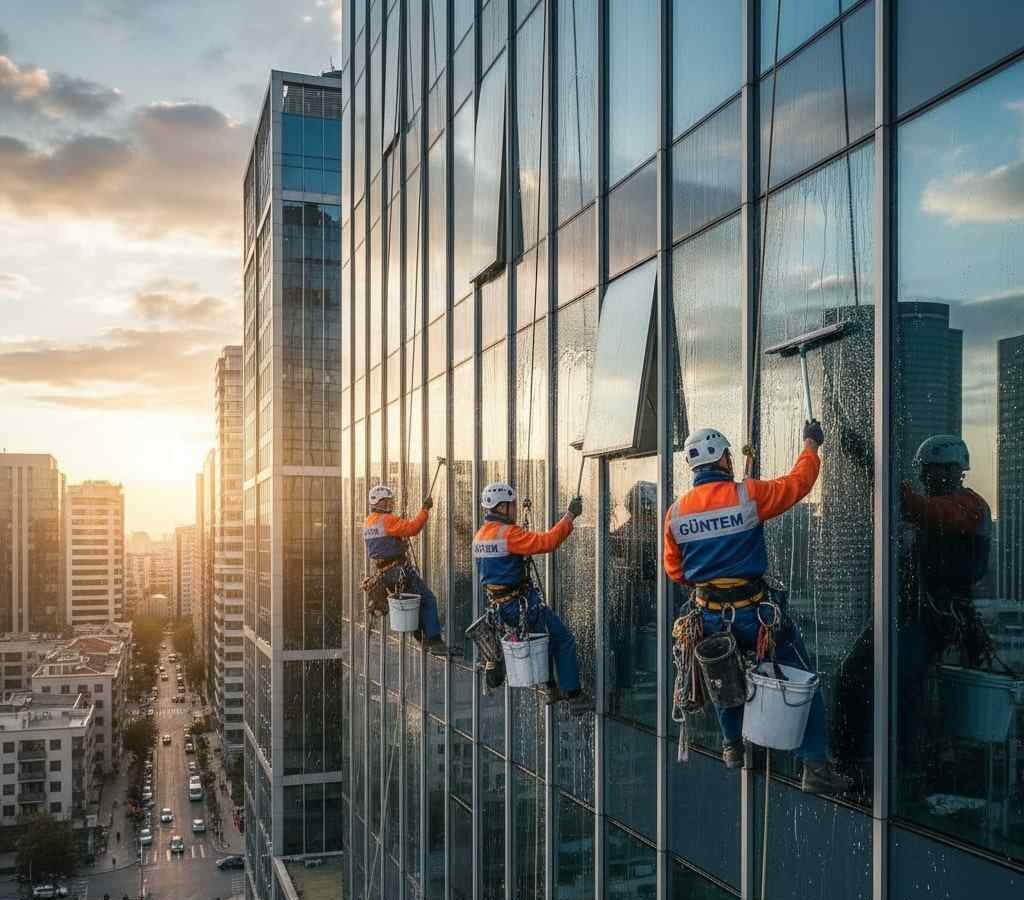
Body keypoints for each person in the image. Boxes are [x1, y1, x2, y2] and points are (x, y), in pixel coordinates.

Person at [663, 424, 851, 793]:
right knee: (801, 676)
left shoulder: (676, 513)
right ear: (723, 458)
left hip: (710, 616)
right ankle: (814, 766)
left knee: (722, 673)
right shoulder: (747, 495)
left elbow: (676, 571)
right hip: (755, 614)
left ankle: (733, 745)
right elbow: (798, 484)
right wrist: (810, 444)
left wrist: (710, 570)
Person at [472, 481, 586, 710]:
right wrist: (569, 516)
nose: (515, 509)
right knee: (562, 638)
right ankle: (573, 694)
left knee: (542, 639)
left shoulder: (480, 536)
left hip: (500, 607)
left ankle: (551, 687)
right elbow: (548, 542)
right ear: (502, 507)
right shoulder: (509, 534)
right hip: (521, 604)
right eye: (512, 505)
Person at [363, 484, 449, 656]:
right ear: (378, 502)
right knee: (428, 600)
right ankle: (435, 641)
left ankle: (421, 637)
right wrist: (425, 510)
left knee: (413, 604)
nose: (390, 504)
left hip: (385, 574)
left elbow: (384, 542)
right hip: (398, 571)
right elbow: (413, 528)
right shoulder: (387, 520)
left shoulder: (368, 522)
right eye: (386, 501)